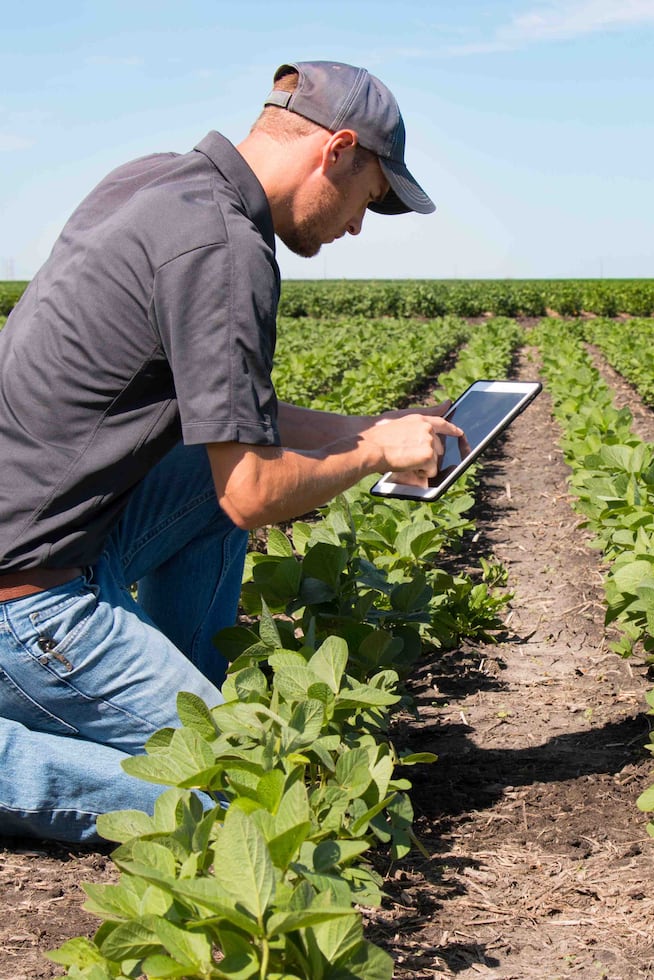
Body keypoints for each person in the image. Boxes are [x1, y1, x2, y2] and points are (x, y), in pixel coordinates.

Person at [0, 61, 461, 843]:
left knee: (202, 480)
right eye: (370, 199)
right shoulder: (225, 248)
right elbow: (252, 490)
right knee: (251, 802)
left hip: (55, 537)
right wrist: (377, 454)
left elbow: (242, 418)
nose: (356, 226)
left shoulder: (154, 184)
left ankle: (176, 701)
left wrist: (367, 424)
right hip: (28, 601)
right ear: (338, 149)